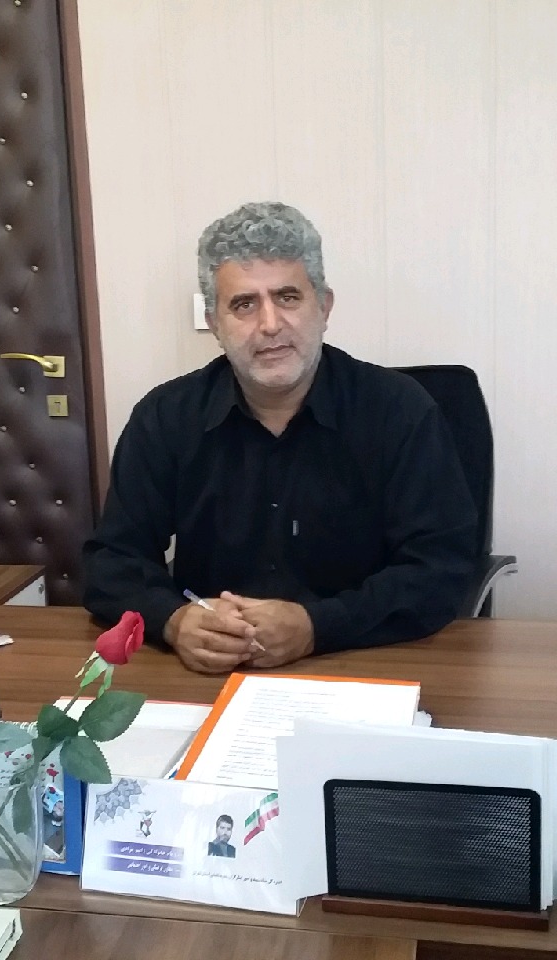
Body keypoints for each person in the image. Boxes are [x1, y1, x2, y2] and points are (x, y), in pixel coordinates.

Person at [83, 201, 477, 673]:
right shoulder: (165, 418)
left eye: (288, 297)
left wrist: (317, 625)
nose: (269, 325)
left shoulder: (401, 412)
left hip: (362, 664)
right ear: (215, 323)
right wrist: (173, 620)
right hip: (211, 673)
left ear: (324, 306)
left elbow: (440, 569)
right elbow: (111, 562)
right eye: (244, 304)